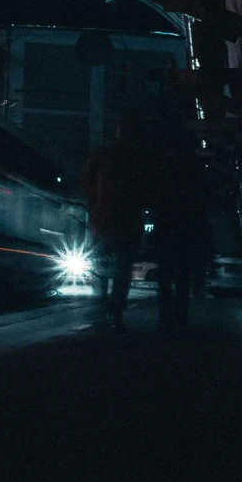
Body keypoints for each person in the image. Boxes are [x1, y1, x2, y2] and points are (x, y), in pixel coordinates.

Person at [81, 116, 151, 329]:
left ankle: (102, 303)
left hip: (103, 220)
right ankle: (116, 310)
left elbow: (85, 182)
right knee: (122, 268)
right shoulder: (138, 160)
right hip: (127, 222)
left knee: (99, 262)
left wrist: (94, 202)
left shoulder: (103, 155)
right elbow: (146, 192)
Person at [148, 134, 209, 330]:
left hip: (167, 230)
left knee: (165, 280)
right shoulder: (193, 172)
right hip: (185, 231)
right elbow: (200, 204)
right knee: (182, 278)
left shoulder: (163, 172)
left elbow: (156, 201)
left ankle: (165, 320)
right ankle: (180, 318)